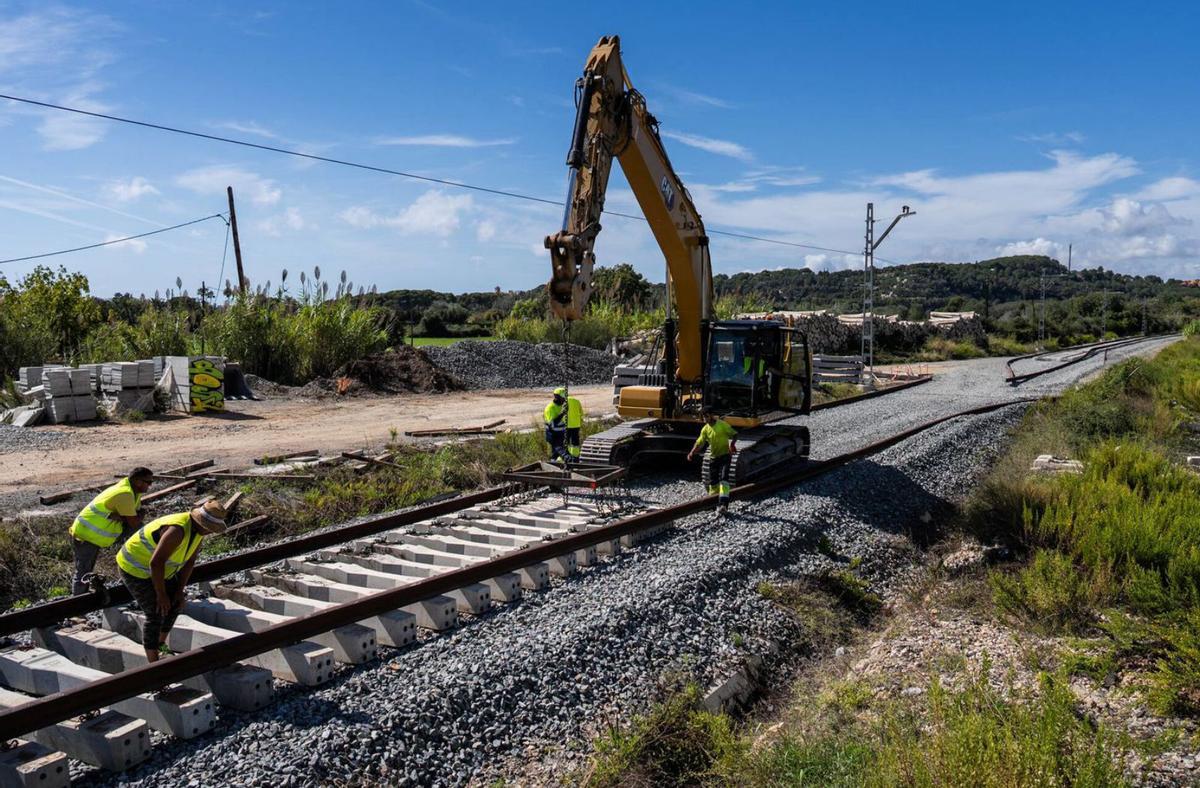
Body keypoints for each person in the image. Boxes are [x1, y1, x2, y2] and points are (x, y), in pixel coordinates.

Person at [115, 500, 227, 661]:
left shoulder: (199, 532)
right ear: (201, 522)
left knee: (175, 604)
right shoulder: (177, 530)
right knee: (155, 612)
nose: (210, 532)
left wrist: (179, 591)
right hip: (135, 567)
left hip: (161, 570)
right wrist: (161, 595)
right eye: (209, 528)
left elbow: (189, 562)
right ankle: (153, 661)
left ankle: (160, 644)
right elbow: (156, 562)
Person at [69, 467, 154, 595]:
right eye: (148, 482)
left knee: (86, 569)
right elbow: (133, 521)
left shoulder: (132, 492)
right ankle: (77, 605)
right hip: (85, 535)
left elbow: (134, 521)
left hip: (96, 535)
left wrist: (125, 517)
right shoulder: (125, 493)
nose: (150, 486)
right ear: (138, 481)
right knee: (83, 570)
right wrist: (137, 514)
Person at [687, 411, 738, 515]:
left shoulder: (722, 425)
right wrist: (692, 452)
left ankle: (723, 504)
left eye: (706, 416)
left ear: (711, 415)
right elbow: (699, 442)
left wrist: (732, 444)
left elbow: (734, 434)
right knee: (713, 482)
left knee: (724, 479)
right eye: (702, 417)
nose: (704, 418)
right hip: (713, 458)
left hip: (725, 456)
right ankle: (713, 503)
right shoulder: (705, 429)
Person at [544, 388, 570, 464]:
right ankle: (565, 459)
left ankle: (554, 463)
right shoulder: (550, 408)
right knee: (558, 449)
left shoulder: (561, 406)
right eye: (563, 398)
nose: (564, 400)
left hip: (560, 433)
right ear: (557, 397)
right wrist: (562, 414)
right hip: (553, 434)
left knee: (555, 453)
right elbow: (552, 425)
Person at [564, 389, 584, 462]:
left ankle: (567, 456)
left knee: (566, 442)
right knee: (575, 442)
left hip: (566, 425)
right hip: (576, 425)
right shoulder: (576, 401)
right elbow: (581, 413)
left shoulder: (562, 402)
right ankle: (575, 457)